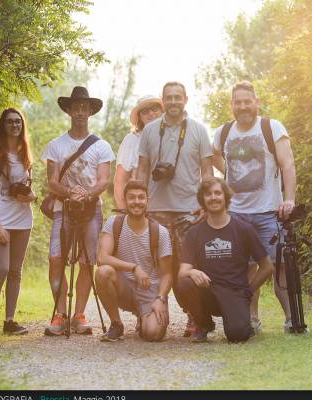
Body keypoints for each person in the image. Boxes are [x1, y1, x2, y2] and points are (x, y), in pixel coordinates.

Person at [211, 81, 297, 333]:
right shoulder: (224, 132)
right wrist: (229, 172)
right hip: (235, 214)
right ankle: (252, 320)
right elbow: (213, 153)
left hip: (269, 212)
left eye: (247, 101)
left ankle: (292, 320)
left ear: (256, 102)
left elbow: (288, 164)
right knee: (245, 268)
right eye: (238, 102)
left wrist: (289, 198)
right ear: (232, 106)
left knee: (278, 266)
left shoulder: (271, 128)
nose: (243, 106)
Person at [136, 81, 214, 336]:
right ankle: (149, 312)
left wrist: (205, 203)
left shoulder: (199, 130)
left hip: (188, 212)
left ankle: (194, 316)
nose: (173, 102)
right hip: (156, 210)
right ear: (163, 100)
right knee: (154, 267)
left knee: (186, 268)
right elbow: (143, 169)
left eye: (177, 97)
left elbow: (207, 171)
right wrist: (139, 201)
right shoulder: (149, 131)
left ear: (186, 100)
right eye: (168, 98)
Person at [41, 86, 115, 336]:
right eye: (76, 107)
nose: (81, 112)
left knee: (87, 261)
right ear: (69, 111)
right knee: (55, 259)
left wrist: (86, 194)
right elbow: (51, 181)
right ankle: (59, 314)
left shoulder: (101, 146)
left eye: (85, 108)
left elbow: (104, 180)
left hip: (91, 211)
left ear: (90, 111)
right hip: (64, 210)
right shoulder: (56, 145)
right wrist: (70, 193)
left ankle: (79, 314)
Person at [176, 177, 273, 342]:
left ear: (225, 197)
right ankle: (204, 324)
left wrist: (248, 291)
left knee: (237, 335)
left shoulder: (244, 229)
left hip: (235, 292)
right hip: (208, 291)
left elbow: (267, 266)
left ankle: (242, 323)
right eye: (208, 194)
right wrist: (192, 272)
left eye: (217, 193)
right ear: (203, 200)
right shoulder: (195, 233)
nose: (213, 197)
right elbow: (181, 273)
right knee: (184, 283)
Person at [0, 108, 36, 336]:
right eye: (10, 122)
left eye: (18, 121)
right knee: (1, 268)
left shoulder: (25, 154)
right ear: (3, 125)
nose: (15, 125)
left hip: (23, 218)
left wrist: (32, 196)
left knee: (15, 271)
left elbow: (30, 189)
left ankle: (10, 321)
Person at [96, 180, 173, 341]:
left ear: (147, 201)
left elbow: (167, 274)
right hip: (124, 287)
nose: (136, 202)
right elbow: (102, 258)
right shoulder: (114, 223)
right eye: (132, 197)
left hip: (149, 289)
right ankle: (116, 324)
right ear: (124, 200)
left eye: (141, 197)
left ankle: (144, 316)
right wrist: (134, 268)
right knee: (103, 272)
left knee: (152, 334)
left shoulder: (160, 232)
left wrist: (160, 299)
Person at [113, 95, 164, 209]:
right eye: (145, 111)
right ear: (140, 117)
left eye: (155, 109)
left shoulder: (175, 136)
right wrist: (123, 212)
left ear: (162, 111)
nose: (151, 113)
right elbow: (120, 180)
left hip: (172, 206)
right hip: (140, 208)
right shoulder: (132, 140)